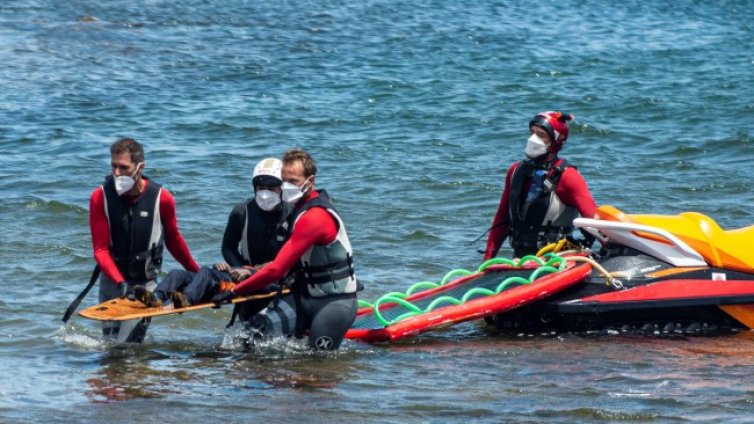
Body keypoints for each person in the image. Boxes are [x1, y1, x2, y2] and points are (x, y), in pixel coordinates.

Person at [212, 148, 359, 351]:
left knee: (317, 363)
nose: (287, 186)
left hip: (333, 303)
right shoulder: (297, 209)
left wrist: (234, 291)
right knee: (251, 334)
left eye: (294, 181)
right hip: (301, 297)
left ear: (310, 181)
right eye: (284, 181)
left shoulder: (314, 217)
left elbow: (277, 269)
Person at [134, 157, 290, 317]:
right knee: (177, 274)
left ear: (282, 188)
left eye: (271, 188)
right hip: (243, 274)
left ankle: (186, 299)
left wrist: (250, 271)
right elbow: (228, 247)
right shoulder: (242, 211)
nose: (265, 193)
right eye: (261, 187)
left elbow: (291, 259)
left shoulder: (291, 214)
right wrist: (236, 267)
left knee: (207, 273)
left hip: (271, 280)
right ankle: (156, 297)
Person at [89, 138, 200, 343]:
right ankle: (118, 375)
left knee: (128, 345)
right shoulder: (100, 197)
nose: (116, 173)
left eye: (123, 168)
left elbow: (174, 241)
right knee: (111, 345)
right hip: (112, 282)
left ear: (140, 167)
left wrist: (196, 272)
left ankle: (135, 373)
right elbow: (100, 250)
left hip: (145, 283)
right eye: (113, 166)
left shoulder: (162, 198)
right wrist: (119, 282)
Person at [483, 111, 597, 260]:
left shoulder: (569, 177)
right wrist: (486, 263)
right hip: (520, 259)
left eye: (541, 135)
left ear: (557, 141)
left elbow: (594, 222)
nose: (533, 140)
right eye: (532, 133)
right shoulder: (515, 171)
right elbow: (501, 221)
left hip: (555, 260)